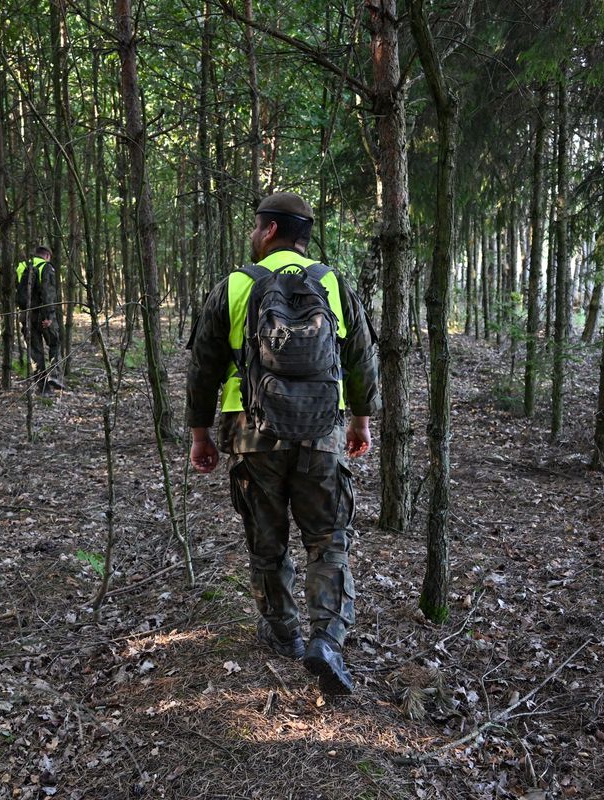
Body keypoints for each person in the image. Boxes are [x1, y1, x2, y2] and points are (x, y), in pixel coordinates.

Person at [185, 192, 380, 695]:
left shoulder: (234, 285)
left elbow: (203, 368)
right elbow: (361, 359)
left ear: (269, 231)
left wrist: (199, 433)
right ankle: (327, 637)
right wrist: (360, 421)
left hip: (251, 431)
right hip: (322, 431)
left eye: (255, 227)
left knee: (266, 540)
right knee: (327, 536)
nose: (252, 235)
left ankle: (283, 632)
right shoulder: (333, 282)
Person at [16, 245, 62, 393]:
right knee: (54, 343)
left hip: (26, 315)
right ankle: (55, 376)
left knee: (36, 352)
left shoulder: (22, 266)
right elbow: (48, 293)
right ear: (47, 255)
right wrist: (49, 315)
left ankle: (42, 389)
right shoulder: (46, 267)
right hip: (43, 315)